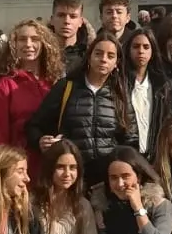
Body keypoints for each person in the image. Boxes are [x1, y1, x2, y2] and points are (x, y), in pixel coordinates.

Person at [26, 34, 131, 182]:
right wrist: (40, 141)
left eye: (110, 56)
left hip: (109, 179)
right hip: (71, 176)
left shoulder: (120, 93)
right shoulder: (67, 86)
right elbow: (34, 125)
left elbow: (130, 138)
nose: (103, 59)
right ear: (89, 56)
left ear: (116, 63)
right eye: (98, 53)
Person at [0, 18, 61, 176]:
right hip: (18, 170)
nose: (28, 44)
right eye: (22, 39)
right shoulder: (5, 85)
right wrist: (1, 173)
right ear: (14, 45)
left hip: (54, 169)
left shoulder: (56, 83)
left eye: (35, 39)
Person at [120, 26, 168, 157]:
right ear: (128, 49)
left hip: (154, 153)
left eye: (146, 47)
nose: (141, 51)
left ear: (153, 51)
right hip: (127, 153)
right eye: (136, 46)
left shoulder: (161, 85)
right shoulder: (119, 82)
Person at [50, 0, 90, 77]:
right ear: (52, 20)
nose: (67, 21)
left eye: (73, 16)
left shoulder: (90, 55)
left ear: (80, 22)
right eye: (61, 15)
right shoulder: (40, 53)